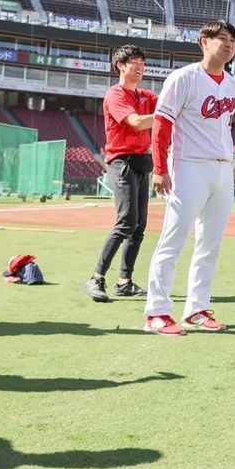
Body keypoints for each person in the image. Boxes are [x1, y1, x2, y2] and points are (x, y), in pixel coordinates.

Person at [142, 20, 235, 335]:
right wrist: (160, 168)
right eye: (222, 38)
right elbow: (161, 124)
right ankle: (156, 312)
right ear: (204, 41)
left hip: (222, 168)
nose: (228, 44)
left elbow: (223, 127)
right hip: (187, 165)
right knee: (173, 239)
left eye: (233, 41)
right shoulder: (183, 78)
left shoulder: (232, 84)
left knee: (210, 243)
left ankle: (197, 309)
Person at [83, 45, 157, 302]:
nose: (140, 66)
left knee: (139, 226)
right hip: (121, 160)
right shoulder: (115, 94)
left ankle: (124, 281)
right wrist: (166, 115)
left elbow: (168, 104)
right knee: (126, 220)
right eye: (135, 61)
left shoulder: (146, 94)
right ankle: (96, 277)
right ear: (120, 65)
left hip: (141, 162)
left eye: (143, 62)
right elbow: (136, 123)